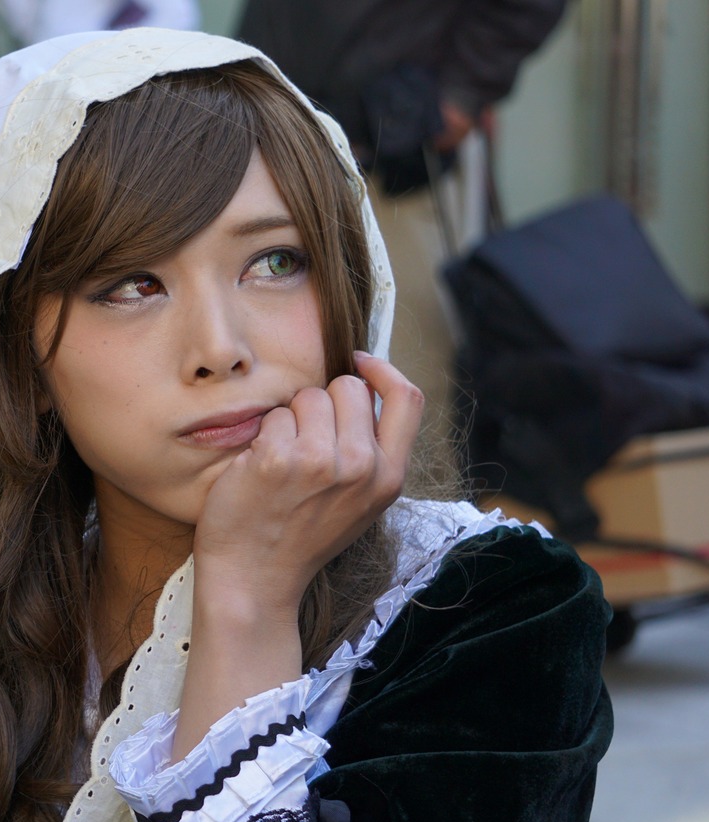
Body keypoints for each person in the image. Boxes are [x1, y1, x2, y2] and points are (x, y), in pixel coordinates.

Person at [0, 29, 610, 822]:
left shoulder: (490, 619)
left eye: (274, 262)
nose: (220, 347)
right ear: (25, 363)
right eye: (130, 284)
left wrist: (246, 607)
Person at [236, 0, 569, 474]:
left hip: (395, 153)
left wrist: (461, 93)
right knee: (288, 360)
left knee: (409, 368)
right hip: (282, 137)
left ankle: (429, 536)